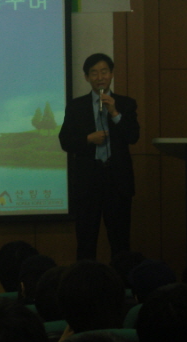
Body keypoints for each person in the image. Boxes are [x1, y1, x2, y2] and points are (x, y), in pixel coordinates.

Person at [58, 53, 140, 261]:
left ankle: (122, 279)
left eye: (104, 72)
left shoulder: (126, 104)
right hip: (88, 181)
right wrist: (88, 139)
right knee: (86, 241)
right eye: (94, 73)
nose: (100, 77)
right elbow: (65, 141)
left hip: (117, 181)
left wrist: (115, 113)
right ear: (87, 77)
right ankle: (85, 280)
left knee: (120, 242)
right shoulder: (76, 106)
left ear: (111, 74)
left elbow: (133, 136)